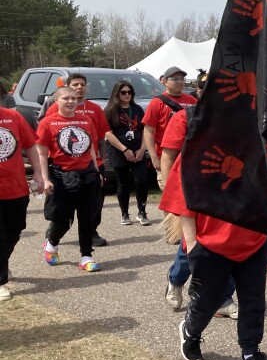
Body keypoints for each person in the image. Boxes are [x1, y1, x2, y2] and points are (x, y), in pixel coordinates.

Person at [159, 132, 267, 360]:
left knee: (253, 300)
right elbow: (183, 196)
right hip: (211, 240)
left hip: (256, 237)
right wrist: (192, 243)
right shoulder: (199, 144)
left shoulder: (263, 141)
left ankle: (250, 352)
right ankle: (190, 331)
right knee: (207, 299)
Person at [159, 88, 237, 319]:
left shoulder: (240, 115)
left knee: (229, 245)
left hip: (229, 191)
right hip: (192, 191)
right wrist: (172, 194)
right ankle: (175, 279)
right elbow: (169, 155)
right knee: (191, 245)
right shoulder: (186, 116)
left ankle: (223, 298)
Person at [37, 87, 103, 272]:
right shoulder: (48, 122)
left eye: (74, 98)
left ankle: (86, 256)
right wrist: (44, 179)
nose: (71, 101)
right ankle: (51, 243)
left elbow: (91, 148)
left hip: (86, 174)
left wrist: (97, 171)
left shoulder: (86, 120)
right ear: (56, 101)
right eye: (66, 98)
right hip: (61, 176)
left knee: (87, 217)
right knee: (63, 220)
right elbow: (41, 153)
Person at [42, 74, 111, 247]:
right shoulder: (51, 115)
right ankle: (55, 233)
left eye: (82, 85)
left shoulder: (93, 112)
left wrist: (100, 163)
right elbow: (44, 147)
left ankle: (88, 246)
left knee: (91, 210)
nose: (79, 88)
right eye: (75, 85)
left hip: (89, 167)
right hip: (62, 171)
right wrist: (44, 177)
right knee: (64, 214)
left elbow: (99, 139)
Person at [0, 105, 43, 300]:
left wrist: (39, 173)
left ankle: (2, 263)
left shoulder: (13, 116)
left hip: (15, 187)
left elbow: (30, 146)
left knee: (15, 230)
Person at [143, 66, 197, 190]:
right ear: (165, 81)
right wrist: (154, 157)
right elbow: (148, 131)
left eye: (182, 79)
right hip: (166, 157)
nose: (179, 82)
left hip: (187, 157)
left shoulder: (193, 101)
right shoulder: (157, 103)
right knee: (169, 193)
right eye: (175, 79)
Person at [103, 81, 149, 225]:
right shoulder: (110, 111)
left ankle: (142, 211)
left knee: (141, 180)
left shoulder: (137, 109)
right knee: (123, 183)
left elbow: (145, 131)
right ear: (117, 93)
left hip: (137, 150)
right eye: (123, 92)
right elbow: (108, 134)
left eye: (129, 92)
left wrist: (142, 149)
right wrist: (125, 150)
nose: (127, 95)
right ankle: (124, 213)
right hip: (118, 151)